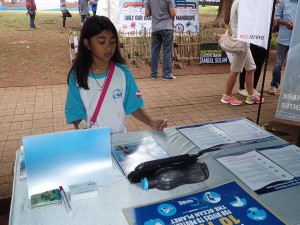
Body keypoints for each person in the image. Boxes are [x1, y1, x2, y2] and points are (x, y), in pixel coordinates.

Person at [65, 16, 167, 134]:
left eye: (112, 42)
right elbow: (74, 112)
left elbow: (132, 104)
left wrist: (150, 122)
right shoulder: (77, 76)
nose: (108, 47)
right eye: (102, 42)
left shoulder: (123, 73)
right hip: (91, 144)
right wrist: (85, 130)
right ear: (87, 43)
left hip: (119, 143)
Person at [221, 0, 264, 106]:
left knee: (251, 68)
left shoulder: (239, 2)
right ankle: (227, 96)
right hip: (241, 40)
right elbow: (246, 20)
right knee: (235, 70)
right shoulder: (242, 3)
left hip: (243, 40)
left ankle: (251, 96)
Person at [268, 0, 298, 95]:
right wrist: (286, 23)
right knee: (278, 64)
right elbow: (277, 19)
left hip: (297, 40)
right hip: (284, 38)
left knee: (294, 65)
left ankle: (291, 88)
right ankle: (274, 86)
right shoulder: (284, 2)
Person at [145, 0, 177, 80]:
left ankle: (153, 74)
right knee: (167, 51)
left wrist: (156, 12)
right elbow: (173, 13)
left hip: (155, 28)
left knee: (155, 51)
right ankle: (166, 75)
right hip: (166, 27)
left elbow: (147, 13)